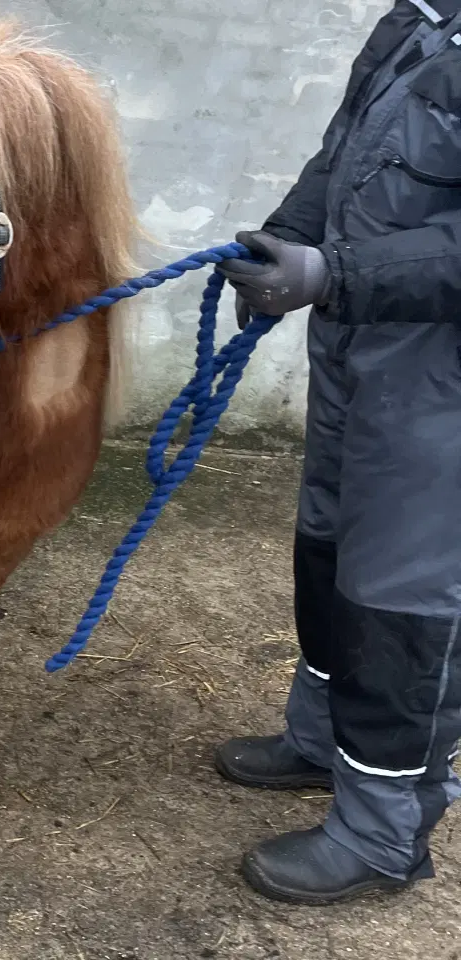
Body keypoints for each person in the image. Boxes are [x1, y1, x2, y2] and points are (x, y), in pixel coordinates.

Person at [213, 0, 461, 905]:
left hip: (443, 382)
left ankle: (381, 834)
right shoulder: (419, 20)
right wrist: (282, 240)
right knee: (327, 555)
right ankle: (320, 741)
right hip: (361, 352)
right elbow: (343, 152)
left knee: (402, 600)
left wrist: (334, 276)